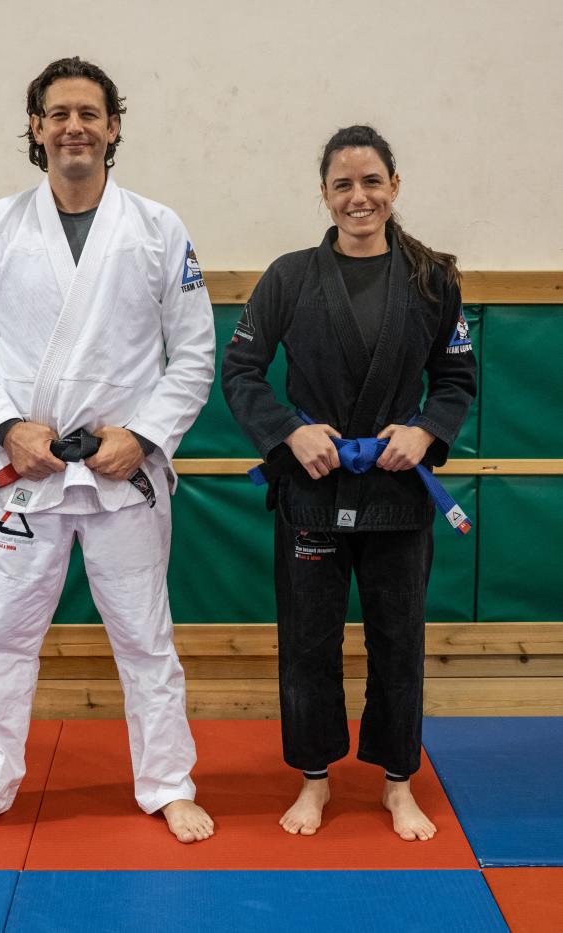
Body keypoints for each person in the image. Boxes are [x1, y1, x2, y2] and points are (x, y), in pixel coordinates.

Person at [0, 56, 216, 845]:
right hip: (28, 470)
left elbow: (194, 352)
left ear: (113, 126)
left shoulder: (158, 228)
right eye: (57, 114)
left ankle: (168, 783)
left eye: (89, 113)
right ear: (36, 127)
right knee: (3, 636)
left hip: (124, 473)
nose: (73, 127)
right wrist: (7, 427)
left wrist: (145, 436)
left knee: (145, 637)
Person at [222, 125, 476, 840]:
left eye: (371, 181)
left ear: (394, 187)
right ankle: (315, 778)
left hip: (397, 492)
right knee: (309, 641)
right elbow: (240, 371)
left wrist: (425, 431)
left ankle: (399, 782)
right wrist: (288, 431)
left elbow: (456, 378)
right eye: (343, 185)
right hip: (314, 487)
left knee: (399, 640)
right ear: (325, 194)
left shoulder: (432, 280)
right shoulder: (289, 276)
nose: (358, 196)